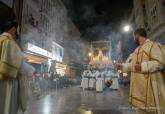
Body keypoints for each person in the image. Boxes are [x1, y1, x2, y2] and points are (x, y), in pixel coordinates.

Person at [116, 28, 165, 114]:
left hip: (151, 87)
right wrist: (122, 66)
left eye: (133, 36)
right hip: (138, 90)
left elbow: (160, 63)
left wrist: (143, 66)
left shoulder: (153, 45)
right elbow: (132, 65)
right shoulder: (136, 50)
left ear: (137, 35)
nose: (133, 38)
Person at [0, 2, 35, 114]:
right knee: (7, 106)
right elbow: (19, 64)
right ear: (13, 30)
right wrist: (32, 71)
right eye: (17, 31)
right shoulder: (9, 42)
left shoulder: (1, 40)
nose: (17, 35)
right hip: (9, 81)